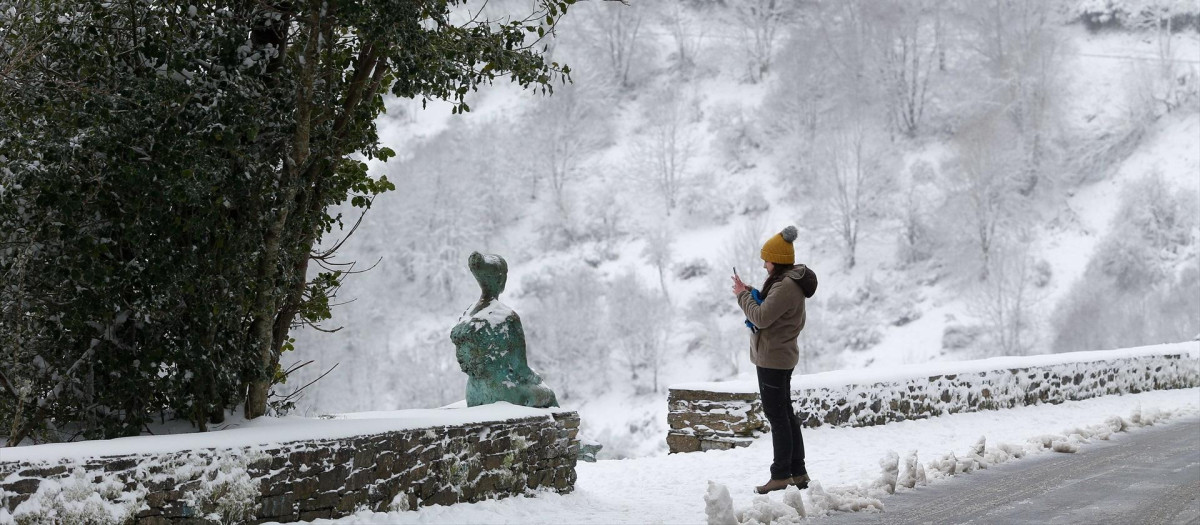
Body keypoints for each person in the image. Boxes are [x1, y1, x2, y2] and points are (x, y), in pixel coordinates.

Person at [731, 225, 819, 494]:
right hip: (779, 355)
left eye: (766, 260)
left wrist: (742, 296)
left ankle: (781, 474)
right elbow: (771, 309)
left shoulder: (786, 286)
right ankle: (798, 472)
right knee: (785, 414)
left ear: (777, 261)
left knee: (777, 416)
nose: (764, 265)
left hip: (773, 358)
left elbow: (761, 317)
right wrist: (752, 292)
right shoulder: (786, 283)